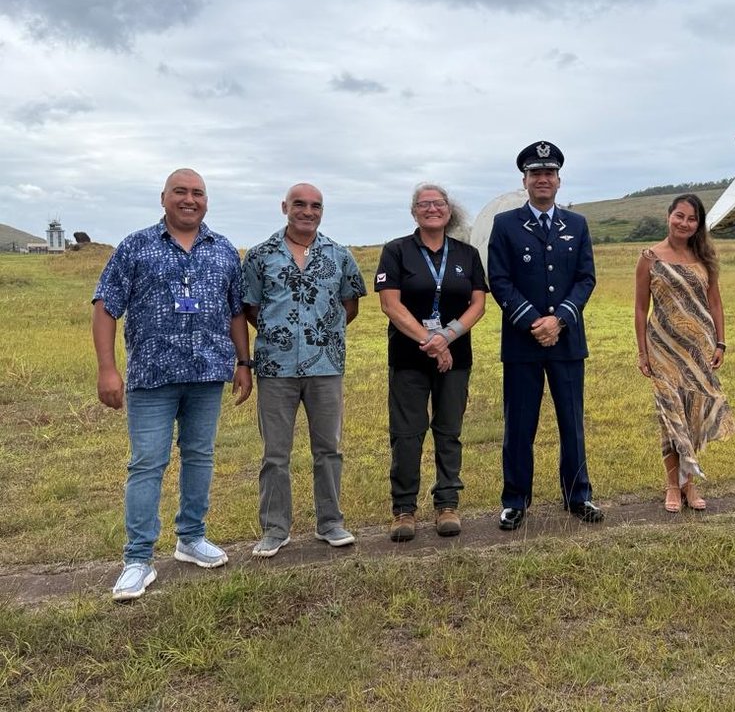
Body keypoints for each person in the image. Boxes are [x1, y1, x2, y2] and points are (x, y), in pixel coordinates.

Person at [93, 168, 253, 601]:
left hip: (207, 376)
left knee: (199, 457)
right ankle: (137, 559)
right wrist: (108, 370)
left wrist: (243, 362)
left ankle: (191, 538)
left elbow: (235, 311)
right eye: (180, 192)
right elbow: (106, 307)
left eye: (197, 193)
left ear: (207, 200)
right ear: (163, 198)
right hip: (153, 379)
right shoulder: (136, 246)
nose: (189, 199)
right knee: (147, 463)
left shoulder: (222, 250)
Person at [241, 183, 366, 557]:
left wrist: (320, 335)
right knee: (275, 454)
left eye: (315, 206)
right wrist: (281, 334)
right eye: (300, 204)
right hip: (275, 369)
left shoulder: (339, 255)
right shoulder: (261, 256)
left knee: (328, 449)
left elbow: (350, 304)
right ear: (285, 207)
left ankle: (330, 522)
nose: (307, 211)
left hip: (326, 367)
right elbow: (250, 307)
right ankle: (275, 529)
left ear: (322, 211)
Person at [488, 140, 603, 530]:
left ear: (558, 180)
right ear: (525, 180)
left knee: (572, 423)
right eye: (535, 173)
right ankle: (515, 500)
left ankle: (579, 495)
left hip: (567, 341)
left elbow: (586, 278)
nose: (543, 179)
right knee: (520, 424)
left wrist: (560, 321)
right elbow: (499, 281)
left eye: (549, 173)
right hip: (523, 343)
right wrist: (534, 321)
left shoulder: (577, 224)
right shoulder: (505, 225)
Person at [375, 183, 487, 541]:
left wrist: (447, 337)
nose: (432, 209)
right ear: (414, 212)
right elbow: (390, 305)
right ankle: (403, 509)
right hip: (409, 358)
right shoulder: (396, 251)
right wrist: (430, 342)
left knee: (449, 430)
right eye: (424, 205)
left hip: (456, 358)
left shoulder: (467, 255)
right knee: (407, 434)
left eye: (438, 204)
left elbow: (478, 304)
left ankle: (448, 504)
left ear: (449, 211)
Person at [634, 194, 735, 512]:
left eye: (692, 219)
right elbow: (640, 308)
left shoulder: (704, 258)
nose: (684, 223)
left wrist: (720, 342)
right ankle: (673, 487)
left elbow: (715, 302)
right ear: (669, 216)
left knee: (692, 416)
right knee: (670, 417)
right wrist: (642, 352)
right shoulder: (649, 257)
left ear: (698, 224)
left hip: (698, 350)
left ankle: (689, 485)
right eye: (679, 216)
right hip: (663, 349)